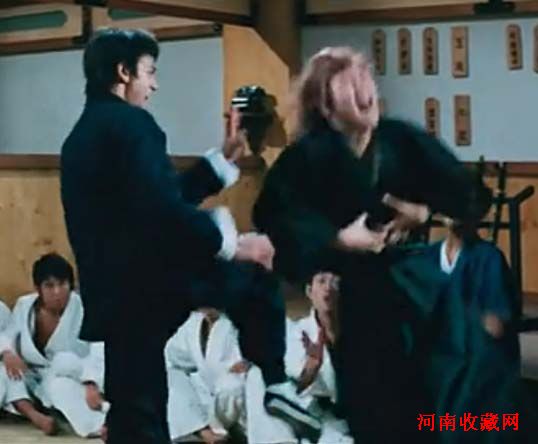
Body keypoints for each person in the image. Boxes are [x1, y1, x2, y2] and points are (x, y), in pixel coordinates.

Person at [60, 28, 319, 444]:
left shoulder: (81, 135)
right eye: (149, 72)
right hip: (148, 284)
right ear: (124, 72)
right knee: (254, 282)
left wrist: (223, 158)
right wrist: (237, 246)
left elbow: (159, 198)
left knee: (134, 407)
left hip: (115, 294)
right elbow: (162, 212)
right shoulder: (133, 124)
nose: (154, 85)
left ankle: (275, 386)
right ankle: (276, 383)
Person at [253, 46, 492, 443]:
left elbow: (470, 194)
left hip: (418, 295)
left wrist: (424, 212)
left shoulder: (401, 140)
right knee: (373, 410)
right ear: (325, 104)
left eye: (366, 79)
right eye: (350, 84)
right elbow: (272, 218)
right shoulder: (304, 157)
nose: (365, 91)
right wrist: (337, 239)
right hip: (350, 303)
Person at [0, 253, 105, 437]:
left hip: (74, 375)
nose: (57, 292)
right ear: (38, 288)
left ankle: (100, 425)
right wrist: (7, 353)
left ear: (71, 285)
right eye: (49, 286)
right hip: (34, 378)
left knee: (61, 380)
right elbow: (8, 335)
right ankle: (36, 416)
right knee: (7, 370)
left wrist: (91, 382)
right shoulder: (25, 306)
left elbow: (99, 348)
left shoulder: (84, 307)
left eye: (62, 284)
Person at [166, 308, 297, 444]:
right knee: (172, 377)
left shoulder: (248, 317)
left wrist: (257, 359)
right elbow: (171, 357)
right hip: (212, 405)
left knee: (254, 375)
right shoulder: (193, 325)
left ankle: (273, 439)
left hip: (246, 400)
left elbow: (278, 353)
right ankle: (202, 431)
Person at [285, 272, 353, 444]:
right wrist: (312, 367)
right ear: (309, 292)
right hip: (322, 422)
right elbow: (292, 389)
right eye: (322, 281)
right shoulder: (298, 333)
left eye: (335, 282)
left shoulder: (359, 332)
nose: (328, 288)